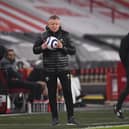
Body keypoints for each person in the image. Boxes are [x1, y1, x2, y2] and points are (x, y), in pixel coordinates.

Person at [33, 15, 79, 126]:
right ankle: (55, 118)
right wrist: (42, 47)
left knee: (68, 93)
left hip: (64, 69)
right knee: (52, 94)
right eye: (52, 24)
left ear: (59, 24)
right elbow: (35, 50)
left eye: (56, 24)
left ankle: (71, 118)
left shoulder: (65, 35)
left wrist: (62, 46)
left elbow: (73, 51)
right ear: (48, 24)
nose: (54, 26)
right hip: (49, 69)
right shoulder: (42, 35)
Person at [114, 33, 129, 119]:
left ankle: (117, 107)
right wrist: (127, 65)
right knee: (128, 88)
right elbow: (122, 54)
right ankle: (117, 107)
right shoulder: (125, 39)